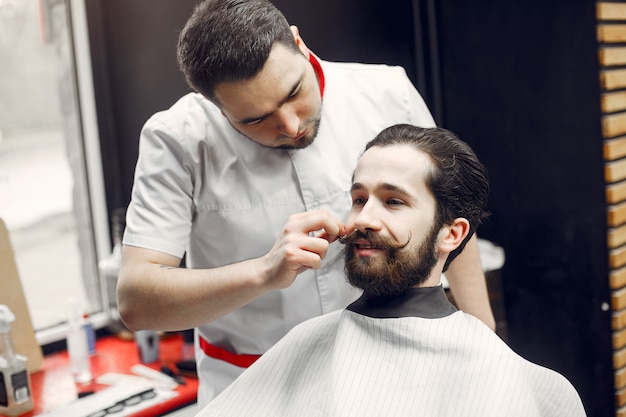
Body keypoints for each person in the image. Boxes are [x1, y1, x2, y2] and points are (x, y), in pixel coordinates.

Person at [116, 0, 495, 406]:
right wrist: (263, 271)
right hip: (254, 390)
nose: (291, 126)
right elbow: (137, 302)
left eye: (293, 92)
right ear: (215, 106)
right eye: (255, 119)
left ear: (298, 43)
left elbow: (450, 210)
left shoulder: (386, 92)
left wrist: (483, 339)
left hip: (386, 375)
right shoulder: (178, 139)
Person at [195, 124, 587, 417]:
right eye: (359, 198)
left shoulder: (529, 386)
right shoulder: (306, 344)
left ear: (452, 234)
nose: (364, 218)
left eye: (393, 201)